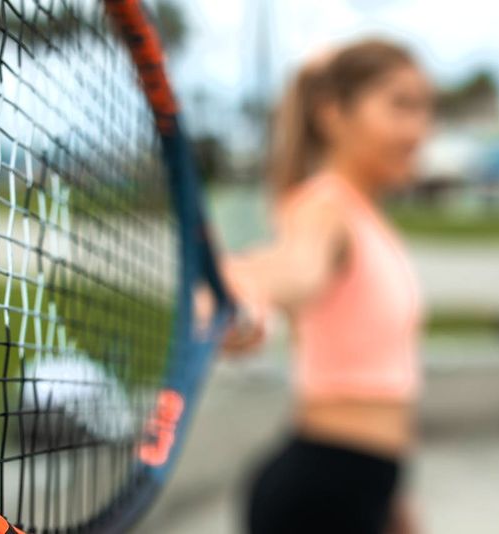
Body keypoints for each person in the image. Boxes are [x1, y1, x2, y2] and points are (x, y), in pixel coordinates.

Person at [208, 37, 434, 534]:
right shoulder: (324, 207)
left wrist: (394, 504)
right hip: (319, 496)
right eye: (400, 105)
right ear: (333, 113)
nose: (419, 129)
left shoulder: (364, 215)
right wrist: (244, 291)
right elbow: (296, 269)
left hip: (364, 486)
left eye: (424, 109)